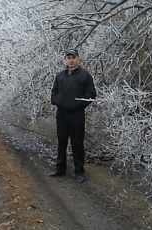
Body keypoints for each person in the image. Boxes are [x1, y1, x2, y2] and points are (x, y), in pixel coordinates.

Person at [49, 48, 96, 183]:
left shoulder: (84, 75)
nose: (71, 60)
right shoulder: (60, 76)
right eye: (68, 57)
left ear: (78, 59)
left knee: (77, 142)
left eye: (73, 57)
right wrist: (56, 101)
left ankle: (79, 171)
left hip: (77, 115)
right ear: (66, 59)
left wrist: (77, 105)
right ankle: (60, 168)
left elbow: (91, 95)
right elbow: (54, 91)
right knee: (62, 141)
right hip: (62, 113)